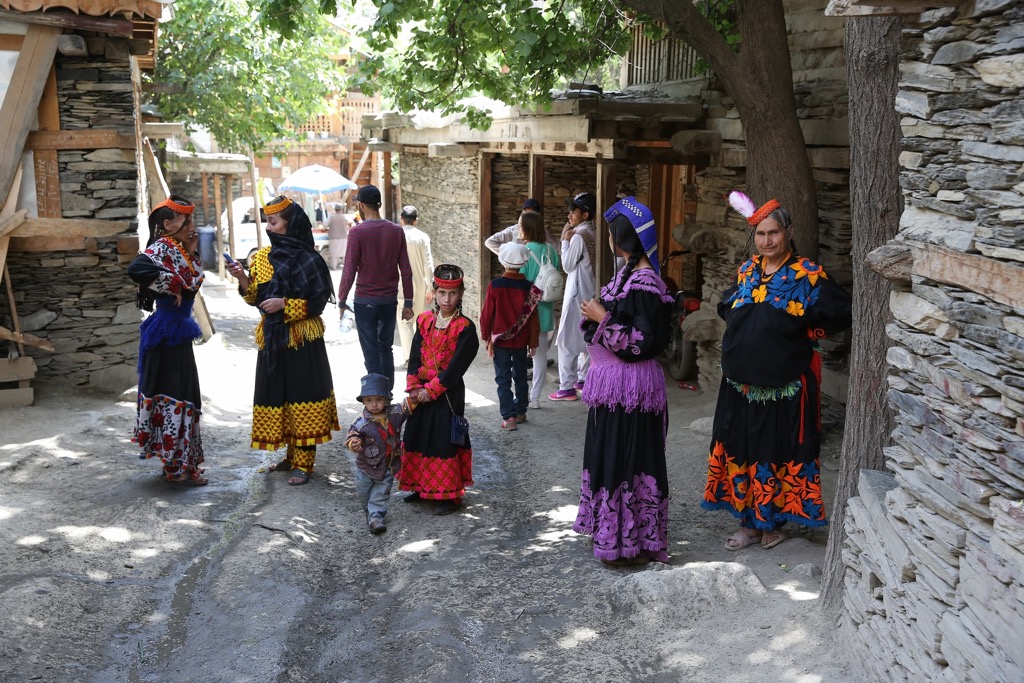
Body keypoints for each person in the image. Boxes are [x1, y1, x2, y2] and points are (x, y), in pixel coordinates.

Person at [703, 191, 852, 550]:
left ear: (788, 231)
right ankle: (749, 523)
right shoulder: (748, 270)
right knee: (744, 450)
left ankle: (772, 522)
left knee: (776, 452)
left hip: (783, 387)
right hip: (739, 385)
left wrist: (809, 333)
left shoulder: (808, 275)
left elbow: (842, 312)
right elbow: (730, 304)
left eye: (773, 233)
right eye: (760, 234)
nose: (767, 240)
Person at [572, 197, 673, 566]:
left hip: (630, 387)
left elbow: (642, 343)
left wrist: (601, 319)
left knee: (626, 457)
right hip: (613, 387)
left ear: (620, 238)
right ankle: (612, 534)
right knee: (608, 455)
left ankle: (628, 541)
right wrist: (594, 317)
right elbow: (610, 313)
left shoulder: (645, 283)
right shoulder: (626, 272)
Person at [226, 195, 340, 486]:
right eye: (267, 221)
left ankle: (304, 463)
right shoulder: (262, 258)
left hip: (302, 339)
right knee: (281, 395)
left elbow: (317, 303)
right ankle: (290, 455)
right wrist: (242, 278)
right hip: (273, 340)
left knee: (303, 395)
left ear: (291, 225)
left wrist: (285, 305)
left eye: (274, 222)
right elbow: (256, 298)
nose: (268, 227)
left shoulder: (310, 259)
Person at [127, 195, 208, 486]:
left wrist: (192, 249)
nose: (191, 227)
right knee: (174, 394)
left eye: (190, 221)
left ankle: (181, 462)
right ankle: (176, 468)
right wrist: (170, 283)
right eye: (185, 222)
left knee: (185, 396)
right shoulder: (161, 248)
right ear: (167, 224)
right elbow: (136, 269)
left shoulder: (182, 250)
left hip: (178, 332)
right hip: (165, 334)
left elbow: (193, 281)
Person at [399, 264, 480, 515]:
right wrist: (413, 387)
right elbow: (414, 357)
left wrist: (431, 391)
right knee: (418, 434)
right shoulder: (424, 321)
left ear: (462, 293)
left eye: (453, 293)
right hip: (421, 390)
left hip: (447, 393)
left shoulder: (465, 328)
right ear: (434, 292)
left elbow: (456, 369)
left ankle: (448, 495)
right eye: (442, 293)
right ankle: (421, 486)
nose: (447, 299)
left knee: (443, 439)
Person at [337, 185, 414, 390]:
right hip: (389, 301)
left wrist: (342, 300)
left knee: (370, 351)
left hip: (365, 302)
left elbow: (349, 270)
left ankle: (375, 396)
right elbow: (406, 270)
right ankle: (386, 395)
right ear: (379, 204)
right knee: (385, 349)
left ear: (361, 205)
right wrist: (408, 302)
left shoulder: (357, 232)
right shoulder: (396, 231)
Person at [480, 242, 540, 431]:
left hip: (501, 342)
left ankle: (509, 417)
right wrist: (533, 341)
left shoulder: (495, 286)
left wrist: (486, 336)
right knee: (521, 375)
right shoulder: (530, 288)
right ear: (523, 263)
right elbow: (533, 319)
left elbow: (486, 315)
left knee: (503, 379)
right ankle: (521, 411)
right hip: (521, 341)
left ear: (503, 262)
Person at [345, 373, 413, 534]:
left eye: (379, 400)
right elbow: (352, 435)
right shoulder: (361, 422)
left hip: (388, 464)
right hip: (366, 467)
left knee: (380, 493)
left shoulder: (395, 413)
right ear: (363, 401)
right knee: (364, 494)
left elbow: (408, 406)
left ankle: (376, 517)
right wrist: (354, 444)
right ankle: (370, 513)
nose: (374, 404)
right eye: (369, 400)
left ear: (386, 400)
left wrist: (417, 397)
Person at [550, 191, 597, 401]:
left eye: (573, 212)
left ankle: (567, 386)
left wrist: (564, 242)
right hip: (590, 292)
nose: (569, 215)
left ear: (585, 215)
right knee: (587, 336)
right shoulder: (594, 233)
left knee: (567, 340)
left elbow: (568, 266)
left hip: (576, 293)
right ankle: (583, 378)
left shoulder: (578, 236)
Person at [517, 212, 560, 410]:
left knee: (518, 355)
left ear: (526, 228)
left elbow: (519, 283)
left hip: (526, 312)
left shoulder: (523, 251)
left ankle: (520, 396)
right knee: (540, 357)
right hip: (545, 311)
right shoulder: (551, 250)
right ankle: (535, 398)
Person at [396, 205, 435, 367]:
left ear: (401, 219)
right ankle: (421, 357)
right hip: (420, 284)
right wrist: (430, 287)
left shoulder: (396, 235)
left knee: (404, 322)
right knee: (419, 321)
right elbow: (428, 263)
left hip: (401, 285)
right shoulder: (423, 237)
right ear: (416, 220)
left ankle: (410, 358)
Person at [484, 198, 553, 255]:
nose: (527, 215)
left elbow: (557, 248)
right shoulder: (513, 231)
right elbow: (489, 242)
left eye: (530, 213)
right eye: (525, 212)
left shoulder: (543, 233)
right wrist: (509, 255)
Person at [326, 203, 349, 270]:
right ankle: (346, 266)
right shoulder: (344, 217)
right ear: (341, 209)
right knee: (344, 253)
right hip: (343, 237)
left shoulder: (331, 217)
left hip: (333, 237)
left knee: (334, 253)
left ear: (335, 209)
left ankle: (334, 266)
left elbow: (325, 225)